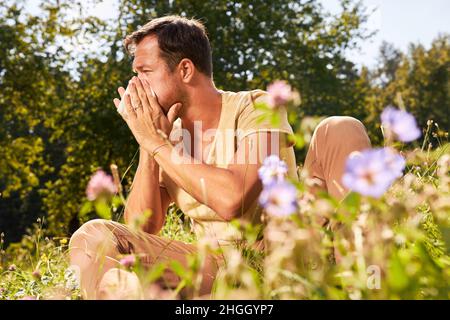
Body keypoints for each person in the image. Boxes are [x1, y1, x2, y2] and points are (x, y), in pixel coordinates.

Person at [68, 15, 371, 300]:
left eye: (145, 73)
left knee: (341, 128)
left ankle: (368, 284)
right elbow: (139, 230)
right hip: (217, 268)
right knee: (92, 235)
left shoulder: (255, 107)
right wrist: (150, 146)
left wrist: (159, 145)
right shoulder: (165, 138)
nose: (135, 87)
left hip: (288, 254)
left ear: (185, 70)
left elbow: (234, 200)